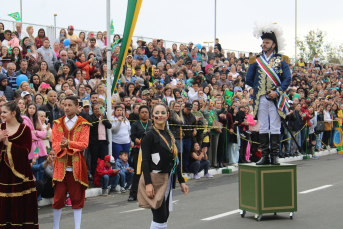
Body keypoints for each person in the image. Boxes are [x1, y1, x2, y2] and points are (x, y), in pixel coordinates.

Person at [246, 22, 291, 165]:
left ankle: (275, 156)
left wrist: (277, 92)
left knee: (276, 127)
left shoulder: (282, 59)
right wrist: (260, 89)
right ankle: (265, 156)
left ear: (273, 44)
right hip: (261, 99)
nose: (264, 44)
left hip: (276, 98)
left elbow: (287, 79)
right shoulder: (256, 60)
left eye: (267, 42)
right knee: (264, 127)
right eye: (263, 42)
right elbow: (248, 79)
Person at [139, 103, 188, 228]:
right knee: (160, 217)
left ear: (167, 115)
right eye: (157, 113)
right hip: (155, 179)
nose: (160, 115)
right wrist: (148, 184)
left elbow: (174, 160)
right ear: (152, 116)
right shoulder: (148, 135)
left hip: (168, 179)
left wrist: (181, 181)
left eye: (162, 113)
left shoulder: (169, 134)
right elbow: (144, 161)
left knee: (164, 216)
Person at [52, 96, 91, 229]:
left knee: (76, 198)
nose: (66, 107)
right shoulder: (57, 123)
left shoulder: (84, 123)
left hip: (76, 165)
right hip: (61, 165)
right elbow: (55, 143)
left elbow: (84, 144)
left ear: (76, 107)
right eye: (64, 105)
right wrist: (63, 148)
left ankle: (77, 227)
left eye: (69, 105)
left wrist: (68, 143)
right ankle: (56, 226)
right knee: (58, 198)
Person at [0, 101, 39, 228]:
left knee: (19, 202)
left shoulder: (25, 129)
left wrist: (8, 144)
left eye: (4, 112)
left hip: (20, 172)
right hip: (2, 172)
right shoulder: (1, 128)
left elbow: (27, 150)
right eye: (1, 112)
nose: (2, 114)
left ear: (14, 113)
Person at [128, 105, 152, 201]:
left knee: (149, 172)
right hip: (139, 150)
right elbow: (133, 137)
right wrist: (141, 142)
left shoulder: (151, 124)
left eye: (146, 112)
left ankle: (149, 193)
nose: (145, 114)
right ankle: (133, 195)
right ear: (139, 114)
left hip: (150, 151)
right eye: (142, 112)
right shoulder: (135, 124)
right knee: (137, 173)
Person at [23, 102, 47, 181]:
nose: (31, 110)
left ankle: (40, 188)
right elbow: (29, 134)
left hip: (39, 147)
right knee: (35, 168)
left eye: (33, 108)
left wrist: (36, 132)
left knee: (41, 170)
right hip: (32, 148)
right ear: (27, 109)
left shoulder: (37, 119)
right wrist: (39, 137)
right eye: (30, 108)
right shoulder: (24, 119)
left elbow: (44, 134)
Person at [87, 103, 112, 177]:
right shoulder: (90, 117)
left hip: (103, 141)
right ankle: (94, 175)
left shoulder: (104, 117)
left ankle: (103, 175)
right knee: (94, 160)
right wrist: (97, 119)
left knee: (104, 159)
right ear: (92, 110)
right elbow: (90, 127)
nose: (97, 110)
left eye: (99, 109)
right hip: (94, 142)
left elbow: (109, 126)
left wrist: (103, 119)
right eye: (95, 109)